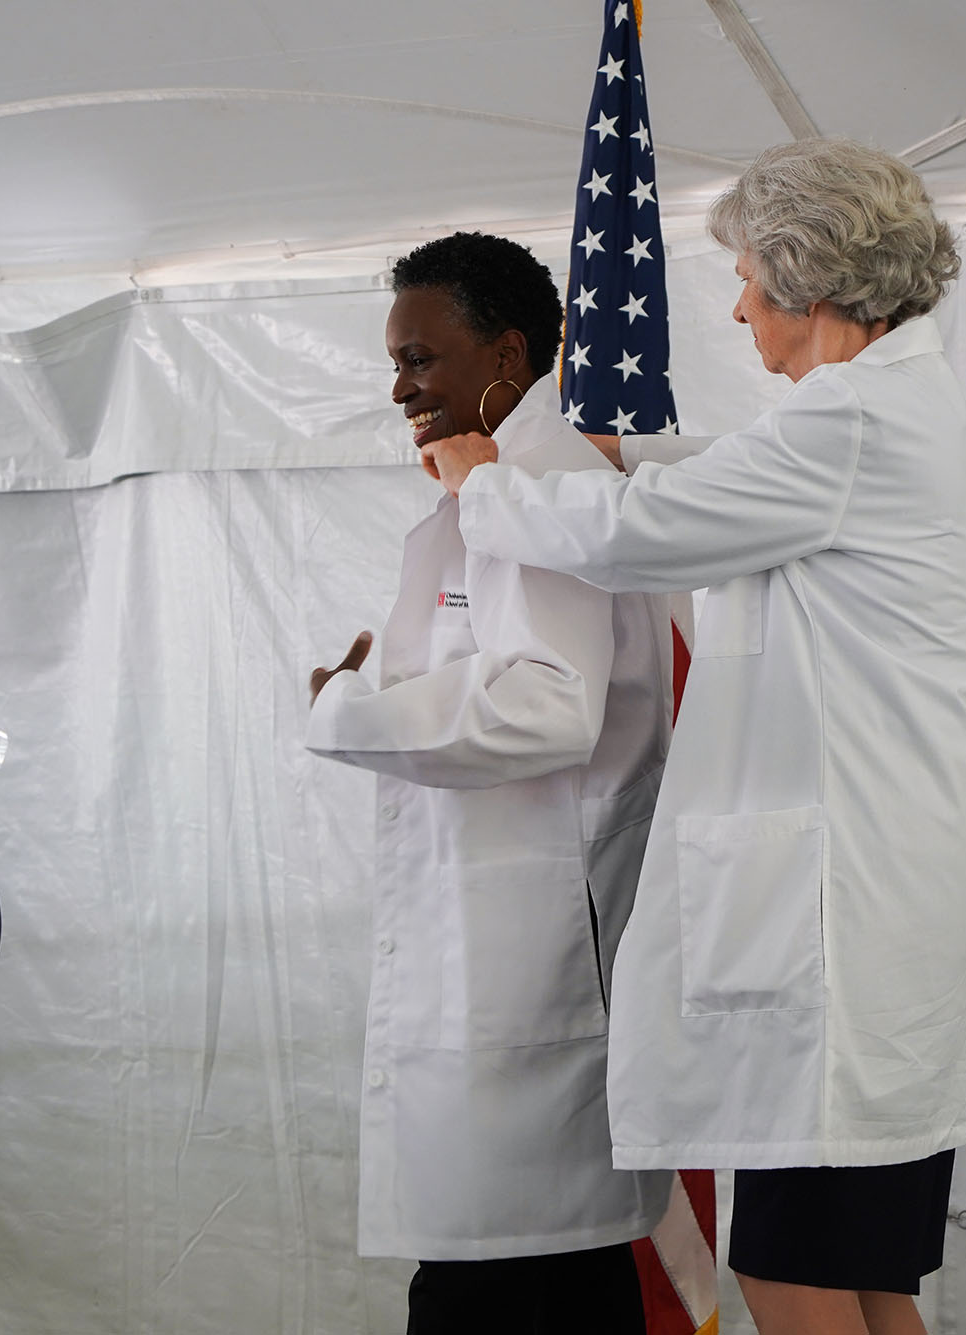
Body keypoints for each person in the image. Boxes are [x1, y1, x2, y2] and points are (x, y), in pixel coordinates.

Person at [420, 142, 966, 1335]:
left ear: (810, 278)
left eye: (746, 275)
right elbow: (734, 475)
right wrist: (622, 450)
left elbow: (644, 536)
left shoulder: (847, 424)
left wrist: (482, 485)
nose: (736, 303)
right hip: (887, 905)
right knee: (868, 1275)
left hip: (842, 928)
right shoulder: (895, 410)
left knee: (787, 1272)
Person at [304, 231, 678, 1335]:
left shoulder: (538, 487)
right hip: (495, 959)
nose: (398, 386)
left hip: (531, 974)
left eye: (419, 357)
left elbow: (546, 704)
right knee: (515, 1282)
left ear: (506, 352)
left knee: (509, 1289)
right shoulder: (496, 488)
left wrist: (350, 712)